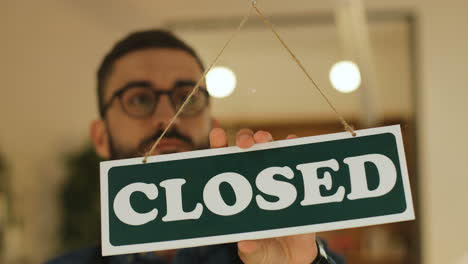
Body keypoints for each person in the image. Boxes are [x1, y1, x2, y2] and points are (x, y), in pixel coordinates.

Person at [46, 29, 344, 264]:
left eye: (187, 97)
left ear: (211, 123)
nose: (167, 118)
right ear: (100, 137)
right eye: (139, 98)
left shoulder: (295, 252)